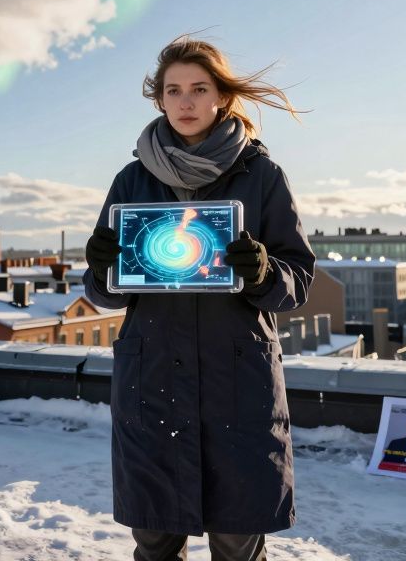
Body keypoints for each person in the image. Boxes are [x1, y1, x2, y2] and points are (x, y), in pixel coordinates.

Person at [82, 36, 315, 561]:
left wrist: (261, 272)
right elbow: (103, 295)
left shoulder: (262, 176)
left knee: (237, 545)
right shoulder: (132, 180)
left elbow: (297, 280)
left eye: (198, 89)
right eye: (173, 90)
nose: (185, 102)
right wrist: (101, 269)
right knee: (156, 543)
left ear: (221, 97)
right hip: (154, 383)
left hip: (237, 387)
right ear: (159, 99)